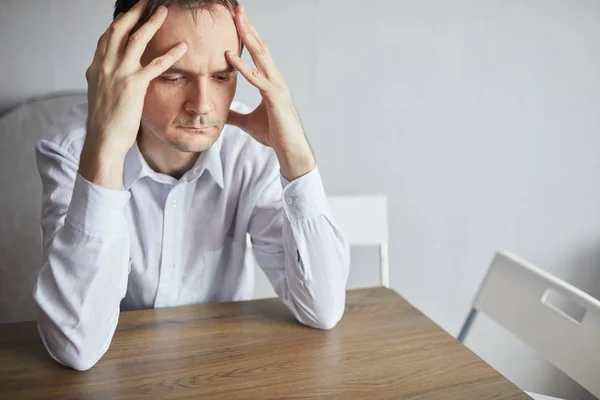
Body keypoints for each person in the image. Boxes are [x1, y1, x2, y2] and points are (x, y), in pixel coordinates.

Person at [34, 0, 350, 371]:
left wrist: (295, 155)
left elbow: (322, 310)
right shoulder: (73, 152)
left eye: (221, 76)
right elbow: (76, 347)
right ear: (122, 69)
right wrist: (105, 154)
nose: (202, 106)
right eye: (173, 76)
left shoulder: (251, 151)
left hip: (222, 374)